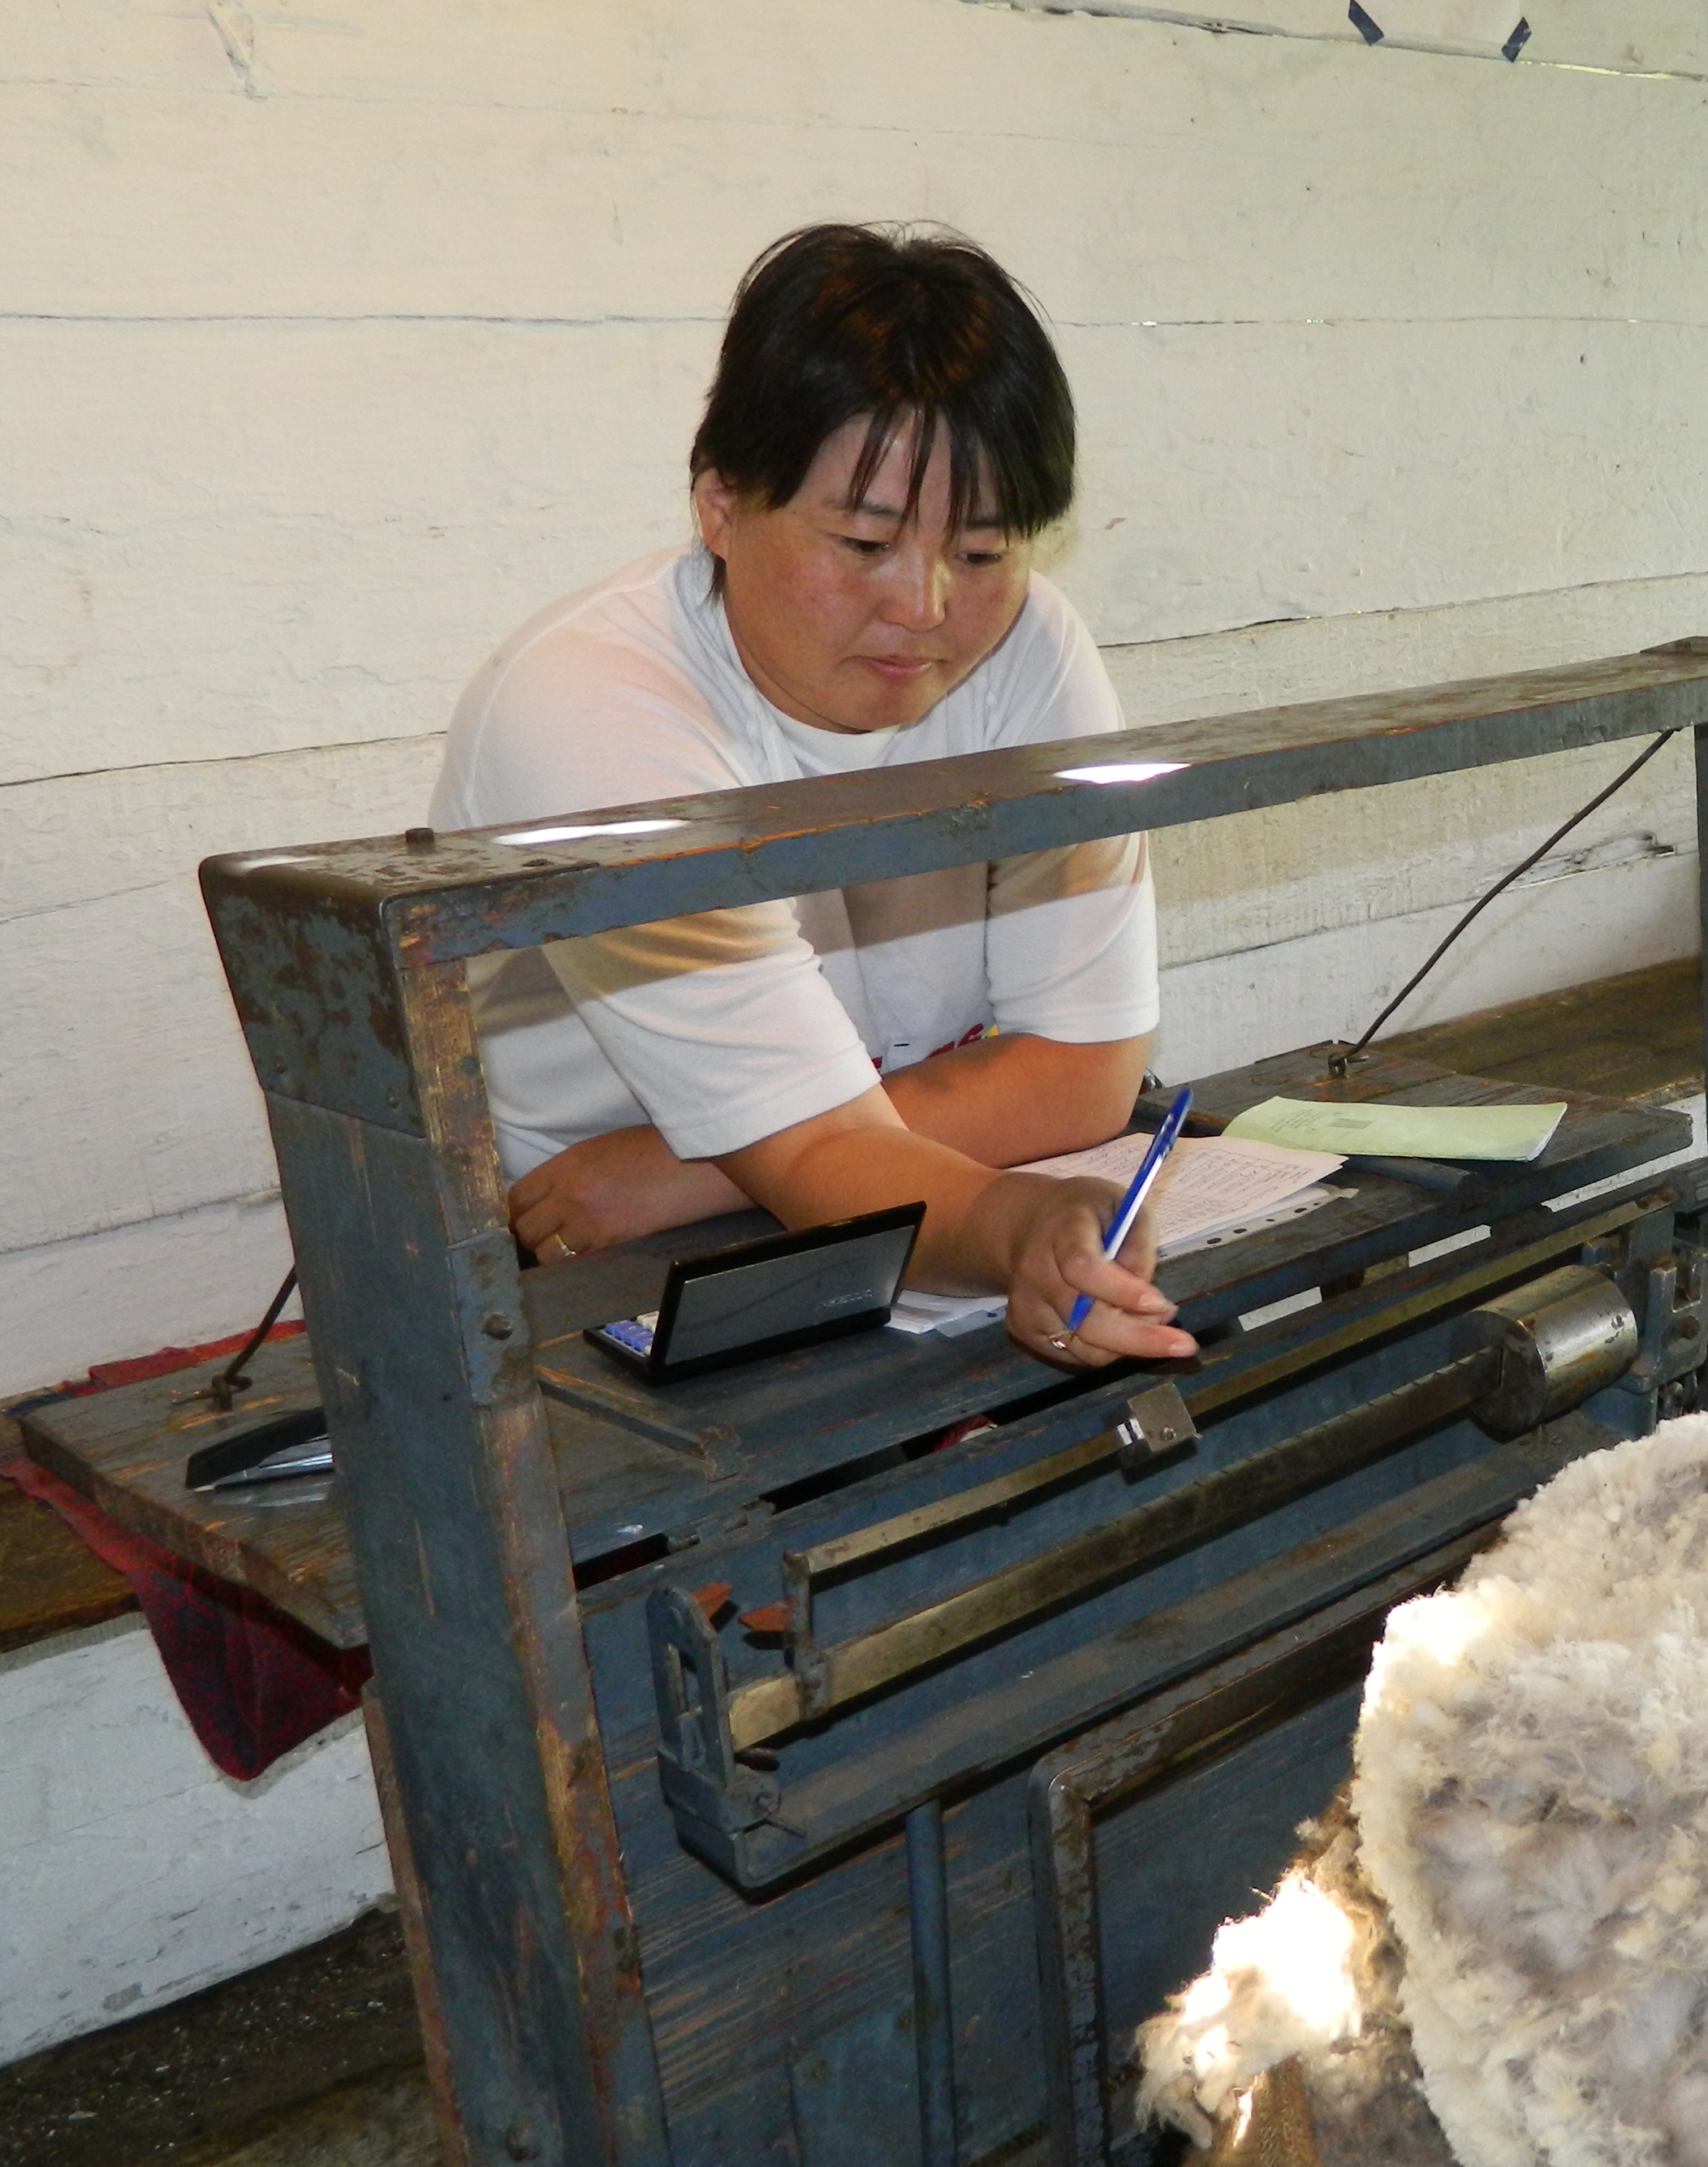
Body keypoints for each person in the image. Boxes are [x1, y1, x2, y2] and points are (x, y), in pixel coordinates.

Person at [432, 222, 1192, 1371]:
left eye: (983, 554)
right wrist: (1012, 1224)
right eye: (866, 540)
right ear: (723, 505)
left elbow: (1088, 1069)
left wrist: (687, 1166)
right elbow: (821, 1153)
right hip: (583, 1278)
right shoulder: (597, 711)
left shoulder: (1028, 647)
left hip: (715, 1205)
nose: (927, 607)